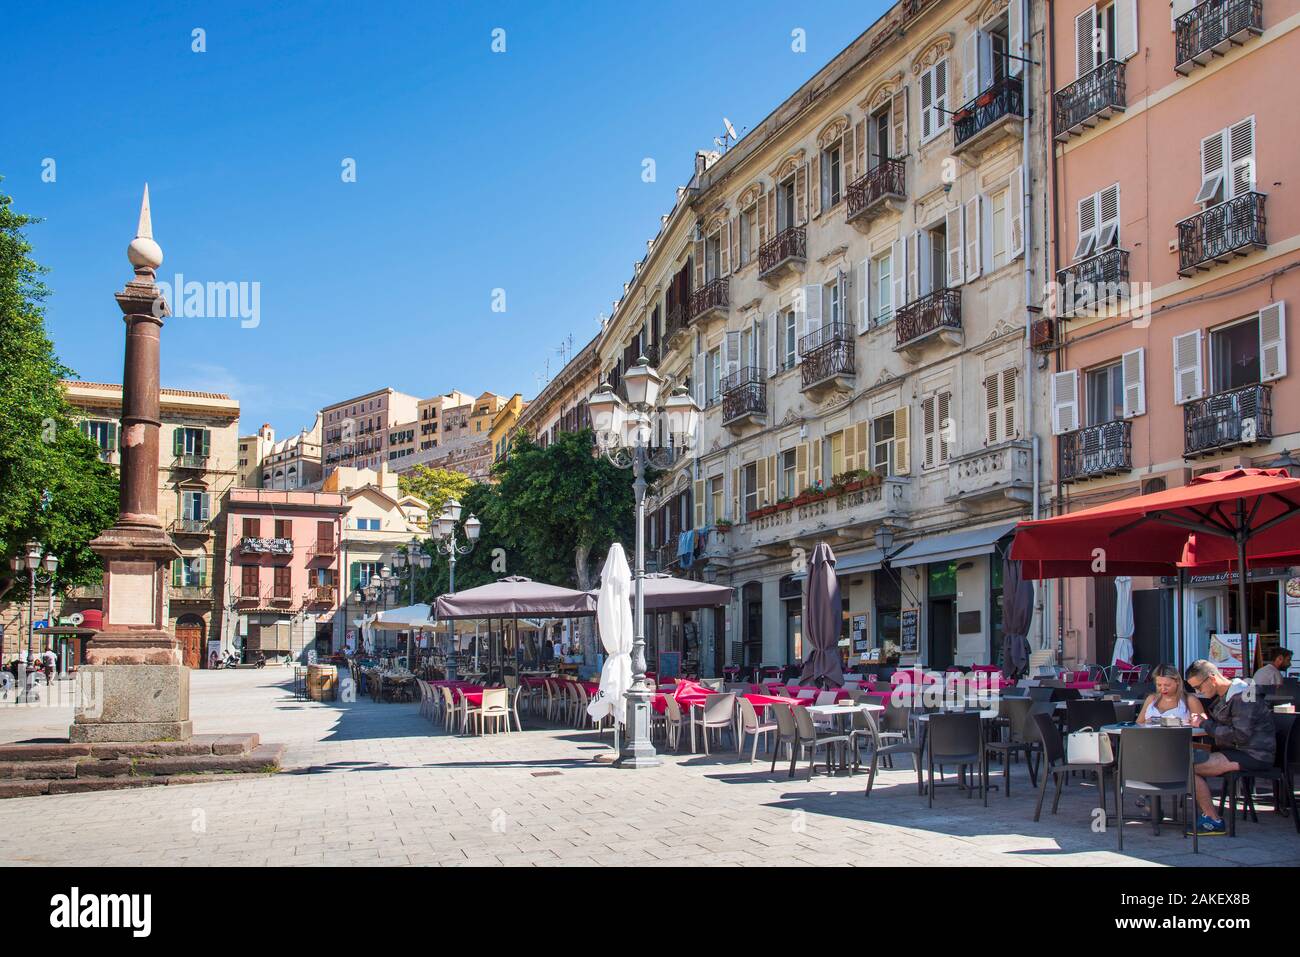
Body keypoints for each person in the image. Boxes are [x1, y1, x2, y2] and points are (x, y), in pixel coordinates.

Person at [1184, 659, 1278, 836]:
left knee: (1187, 766)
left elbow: (1240, 735)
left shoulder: (1244, 695)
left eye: (1199, 688)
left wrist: (1205, 724)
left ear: (1211, 678)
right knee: (1184, 760)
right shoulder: (1230, 694)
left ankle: (1213, 820)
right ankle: (1210, 816)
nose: (1198, 693)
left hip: (1253, 754)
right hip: (1239, 751)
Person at [1138, 664, 1205, 725]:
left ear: (1177, 681)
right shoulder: (1151, 699)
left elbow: (1203, 726)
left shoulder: (1190, 700)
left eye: (1167, 685)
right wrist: (1147, 722)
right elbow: (1138, 724)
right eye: (1159, 685)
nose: (1163, 688)